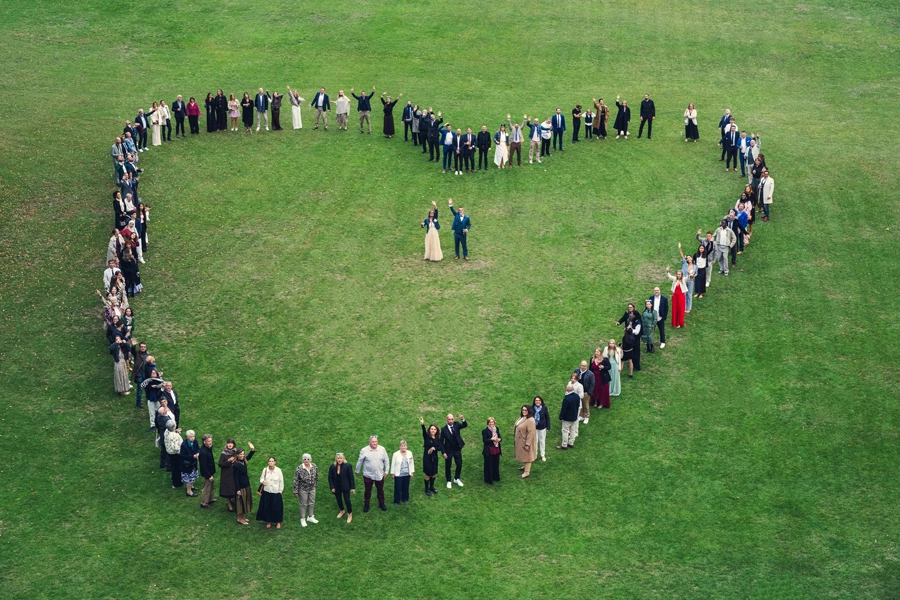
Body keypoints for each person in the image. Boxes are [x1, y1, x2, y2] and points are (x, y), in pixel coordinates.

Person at [355, 435, 390, 512]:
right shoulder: (364, 450)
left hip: (379, 474)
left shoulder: (382, 449)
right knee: (367, 490)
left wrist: (387, 471)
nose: (375, 443)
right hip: (368, 475)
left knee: (380, 490)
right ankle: (366, 504)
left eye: (376, 441)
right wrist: (357, 470)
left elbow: (386, 460)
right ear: (369, 442)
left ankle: (381, 503)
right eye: (373, 442)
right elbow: (360, 461)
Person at [256, 457, 284, 529]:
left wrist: (280, 491)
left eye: (272, 461)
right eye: (270, 461)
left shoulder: (278, 470)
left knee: (277, 508)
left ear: (275, 462)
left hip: (275, 492)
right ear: (268, 462)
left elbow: (281, 481)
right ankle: (269, 521)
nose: (271, 462)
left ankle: (278, 522)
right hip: (267, 491)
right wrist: (263, 482)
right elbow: (262, 478)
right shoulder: (265, 470)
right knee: (267, 507)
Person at [440, 412, 467, 488]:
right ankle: (448, 480)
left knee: (459, 464)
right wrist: (443, 452)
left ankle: (457, 478)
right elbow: (441, 442)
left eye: (452, 419)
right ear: (446, 419)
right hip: (448, 450)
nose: (451, 421)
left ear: (453, 419)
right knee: (448, 465)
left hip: (457, 449)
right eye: (449, 419)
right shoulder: (444, 429)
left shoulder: (457, 425)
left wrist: (463, 419)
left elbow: (465, 425)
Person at [232, 443, 256, 525]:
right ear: (237, 455)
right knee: (240, 502)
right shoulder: (235, 465)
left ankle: (242, 517)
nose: (242, 456)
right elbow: (235, 478)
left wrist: (252, 449)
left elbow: (248, 457)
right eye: (241, 454)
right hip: (240, 487)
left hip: (246, 484)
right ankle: (240, 518)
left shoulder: (243, 461)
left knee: (245, 501)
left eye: (243, 454)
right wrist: (238, 489)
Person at [292, 454, 318, 527]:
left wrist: (315, 485)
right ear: (302, 460)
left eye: (308, 459)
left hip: (312, 488)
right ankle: (302, 519)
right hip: (303, 489)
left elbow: (316, 476)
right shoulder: (299, 468)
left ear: (310, 459)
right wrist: (295, 491)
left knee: (312, 502)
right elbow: (296, 480)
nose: (306, 460)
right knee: (303, 504)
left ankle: (310, 517)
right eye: (305, 459)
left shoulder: (314, 466)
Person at [328, 453, 355, 523]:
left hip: (345, 486)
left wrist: (352, 487)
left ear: (343, 459)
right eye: (338, 458)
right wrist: (332, 487)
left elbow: (351, 477)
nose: (339, 460)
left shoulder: (347, 466)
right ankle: (342, 510)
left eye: (341, 458)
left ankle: (349, 513)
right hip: (337, 487)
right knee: (338, 499)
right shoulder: (333, 466)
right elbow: (330, 478)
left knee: (347, 500)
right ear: (336, 459)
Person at [419, 418, 443, 496]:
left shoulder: (437, 439)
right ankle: (427, 488)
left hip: (434, 458)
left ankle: (432, 486)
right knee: (428, 474)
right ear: (429, 430)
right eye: (431, 429)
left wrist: (434, 448)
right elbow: (423, 432)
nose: (433, 430)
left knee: (434, 473)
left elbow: (441, 447)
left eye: (434, 429)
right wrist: (422, 424)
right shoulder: (427, 437)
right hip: (427, 458)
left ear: (436, 431)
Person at [616, 304, 642, 375]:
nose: (631, 315)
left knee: (636, 352)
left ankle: (636, 366)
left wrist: (630, 330)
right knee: (632, 353)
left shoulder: (638, 322)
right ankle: (632, 365)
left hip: (635, 340)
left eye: (632, 314)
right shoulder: (632, 320)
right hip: (630, 339)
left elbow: (636, 332)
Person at [513, 405, 536, 479]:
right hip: (521, 440)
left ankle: (526, 472)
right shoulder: (522, 417)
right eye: (523, 410)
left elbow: (531, 433)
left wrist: (527, 444)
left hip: (525, 441)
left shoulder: (530, 420)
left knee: (528, 456)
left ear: (529, 411)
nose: (524, 411)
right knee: (524, 455)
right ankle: (525, 467)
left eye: (526, 410)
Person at [390, 441, 414, 505]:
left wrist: (411, 472)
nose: (403, 447)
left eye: (404, 446)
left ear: (406, 446)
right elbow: (393, 464)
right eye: (402, 446)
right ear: (399, 447)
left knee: (406, 487)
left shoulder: (409, 453)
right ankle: (396, 501)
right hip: (398, 474)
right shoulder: (396, 454)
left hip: (407, 474)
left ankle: (405, 499)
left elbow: (411, 463)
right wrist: (392, 473)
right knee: (398, 488)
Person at [557, 384, 580, 449]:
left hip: (567, 418)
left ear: (567, 390)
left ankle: (564, 445)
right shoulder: (577, 396)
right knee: (573, 430)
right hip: (574, 417)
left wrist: (561, 417)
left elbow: (563, 409)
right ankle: (571, 443)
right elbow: (578, 406)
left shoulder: (567, 398)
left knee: (565, 431)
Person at [164, 420, 184, 489]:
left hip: (169, 452)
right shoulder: (174, 436)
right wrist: (182, 453)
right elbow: (175, 447)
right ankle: (177, 483)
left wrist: (176, 431)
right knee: (177, 468)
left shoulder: (166, 431)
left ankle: (174, 479)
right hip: (175, 454)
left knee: (173, 466)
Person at [481, 417, 501, 484]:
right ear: (488, 423)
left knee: (496, 464)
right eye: (490, 422)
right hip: (488, 450)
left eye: (492, 422)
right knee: (489, 465)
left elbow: (500, 437)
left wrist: (499, 439)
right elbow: (485, 441)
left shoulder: (496, 429)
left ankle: (495, 477)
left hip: (496, 449)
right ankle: (488, 479)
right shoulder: (485, 431)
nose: (491, 423)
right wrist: (492, 439)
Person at [180, 430, 200, 497]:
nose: (193, 438)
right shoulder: (184, 445)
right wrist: (192, 456)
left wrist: (198, 453)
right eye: (191, 437)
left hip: (193, 463)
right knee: (189, 478)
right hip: (187, 465)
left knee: (193, 475)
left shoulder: (195, 442)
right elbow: (182, 455)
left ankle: (192, 486)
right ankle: (189, 491)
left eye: (193, 436)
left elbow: (198, 448)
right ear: (187, 437)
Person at [678, 243, 698, 312]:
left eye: (689, 257)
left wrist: (693, 276)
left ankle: (688, 308)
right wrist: (680, 248)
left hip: (690, 281)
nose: (688, 259)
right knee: (684, 294)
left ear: (692, 258)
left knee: (689, 294)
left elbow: (696, 274)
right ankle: (683, 307)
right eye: (687, 258)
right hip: (684, 280)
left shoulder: (695, 266)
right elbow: (682, 256)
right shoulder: (685, 264)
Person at [198, 434, 216, 509]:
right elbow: (203, 466)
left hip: (210, 471)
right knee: (207, 488)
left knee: (211, 487)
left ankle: (210, 498)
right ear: (204, 442)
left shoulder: (208, 448)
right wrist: (209, 476)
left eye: (211, 441)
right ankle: (204, 503)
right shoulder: (203, 452)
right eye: (208, 441)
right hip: (207, 474)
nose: (210, 442)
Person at [574, 360, 594, 425]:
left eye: (585, 366)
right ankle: (581, 415)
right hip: (578, 391)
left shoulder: (590, 374)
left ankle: (586, 416)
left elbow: (592, 384)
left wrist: (589, 392)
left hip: (585, 391)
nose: (583, 367)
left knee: (585, 404)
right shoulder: (576, 371)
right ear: (580, 365)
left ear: (587, 366)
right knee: (580, 404)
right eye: (582, 365)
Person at [531, 396, 550, 462]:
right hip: (534, 428)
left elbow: (547, 417)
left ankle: (542, 455)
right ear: (534, 401)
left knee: (542, 441)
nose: (537, 402)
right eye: (536, 400)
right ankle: (535, 455)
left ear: (541, 401)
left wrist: (548, 427)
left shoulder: (544, 408)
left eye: (539, 400)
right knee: (535, 442)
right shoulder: (531, 408)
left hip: (542, 428)